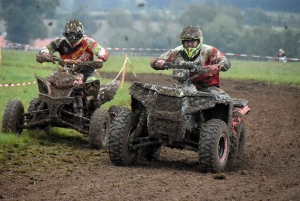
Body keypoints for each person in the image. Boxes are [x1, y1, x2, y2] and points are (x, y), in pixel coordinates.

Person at [150, 25, 231, 96]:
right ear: (183, 42)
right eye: (187, 42)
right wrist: (159, 63)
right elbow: (155, 61)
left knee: (223, 100)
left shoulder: (209, 51)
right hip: (184, 85)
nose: (189, 44)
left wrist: (219, 66)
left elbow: (225, 61)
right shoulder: (176, 52)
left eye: (192, 41)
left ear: (199, 41)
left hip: (207, 87)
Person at [38, 18, 109, 82]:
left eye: (74, 34)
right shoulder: (59, 41)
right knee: (50, 81)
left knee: (92, 84)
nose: (73, 37)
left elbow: (101, 50)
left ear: (80, 33)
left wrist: (100, 59)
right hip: (66, 72)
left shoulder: (88, 41)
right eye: (70, 34)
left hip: (86, 74)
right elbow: (46, 48)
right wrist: (45, 54)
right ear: (66, 33)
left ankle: (92, 96)